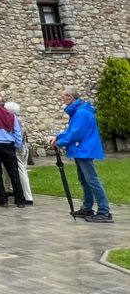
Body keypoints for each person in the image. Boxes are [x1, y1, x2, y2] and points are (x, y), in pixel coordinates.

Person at [51, 87, 112, 223]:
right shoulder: (78, 112)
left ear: (71, 97)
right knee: (85, 180)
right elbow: (71, 131)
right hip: (82, 150)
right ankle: (87, 207)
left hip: (85, 150)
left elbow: (76, 133)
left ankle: (104, 211)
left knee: (92, 180)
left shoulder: (81, 113)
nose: (63, 99)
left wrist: (60, 142)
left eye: (64, 96)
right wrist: (58, 137)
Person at [4, 102, 33, 205]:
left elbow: (18, 137)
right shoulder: (17, 119)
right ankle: (10, 189)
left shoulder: (15, 121)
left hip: (18, 149)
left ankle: (27, 196)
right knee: (7, 170)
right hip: (20, 148)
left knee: (21, 171)